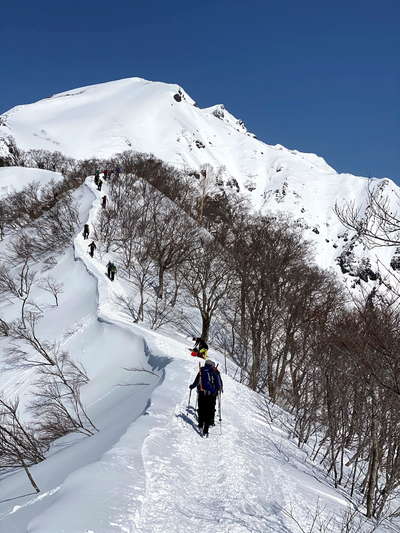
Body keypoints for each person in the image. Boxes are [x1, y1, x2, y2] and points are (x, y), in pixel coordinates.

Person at [189, 360, 223, 437]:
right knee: (209, 410)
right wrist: (217, 390)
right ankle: (206, 429)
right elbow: (218, 384)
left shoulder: (202, 370)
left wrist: (192, 386)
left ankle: (200, 424)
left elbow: (196, 381)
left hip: (201, 393)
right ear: (212, 366)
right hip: (211, 395)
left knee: (201, 409)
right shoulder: (214, 371)